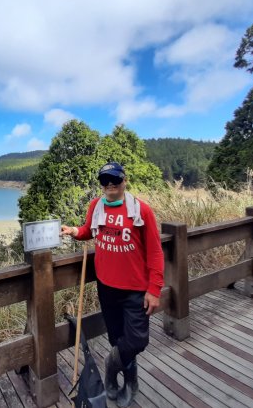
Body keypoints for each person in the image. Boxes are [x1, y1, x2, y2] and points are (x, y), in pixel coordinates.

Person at [61, 162, 164, 408]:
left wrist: (154, 288)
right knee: (117, 337)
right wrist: (74, 230)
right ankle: (131, 382)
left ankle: (110, 366)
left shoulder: (141, 211)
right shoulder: (96, 206)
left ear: (124, 181)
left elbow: (155, 252)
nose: (110, 186)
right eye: (105, 182)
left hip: (135, 289)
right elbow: (89, 230)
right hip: (106, 286)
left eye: (115, 181)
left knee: (137, 340)